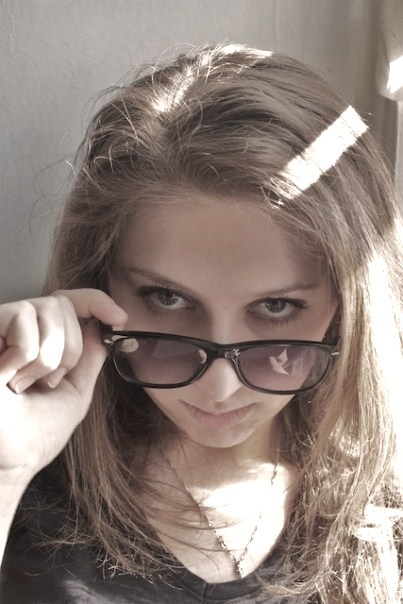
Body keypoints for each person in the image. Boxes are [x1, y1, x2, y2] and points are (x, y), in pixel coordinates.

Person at [0, 43, 402, 603]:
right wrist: (6, 475)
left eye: (276, 307)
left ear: (346, 303)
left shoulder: (388, 502)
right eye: (167, 298)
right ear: (100, 280)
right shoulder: (25, 472)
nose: (219, 387)